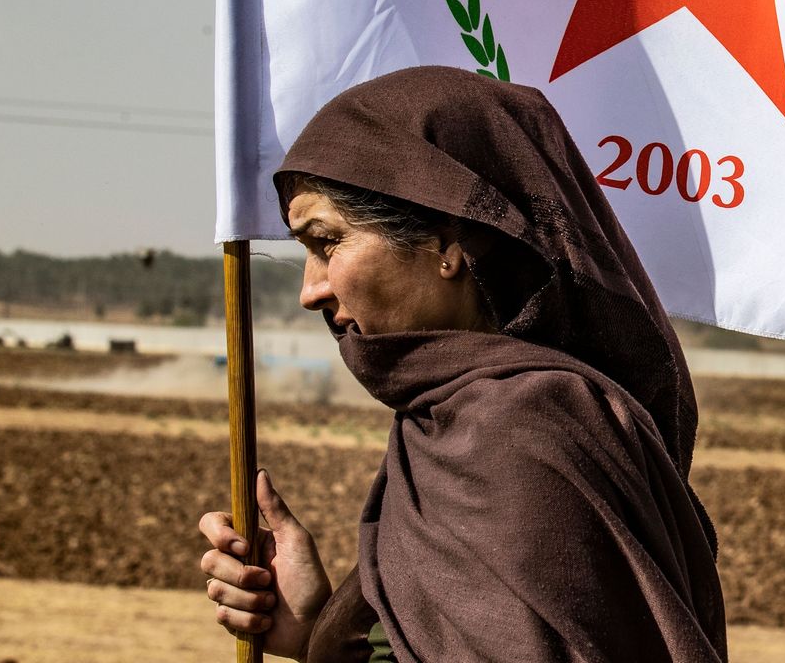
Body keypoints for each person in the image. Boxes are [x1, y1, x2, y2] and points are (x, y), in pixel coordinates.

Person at [197, 66, 728, 662]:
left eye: (327, 243)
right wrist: (315, 629)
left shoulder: (518, 430)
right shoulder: (455, 425)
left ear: (447, 243)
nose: (310, 290)